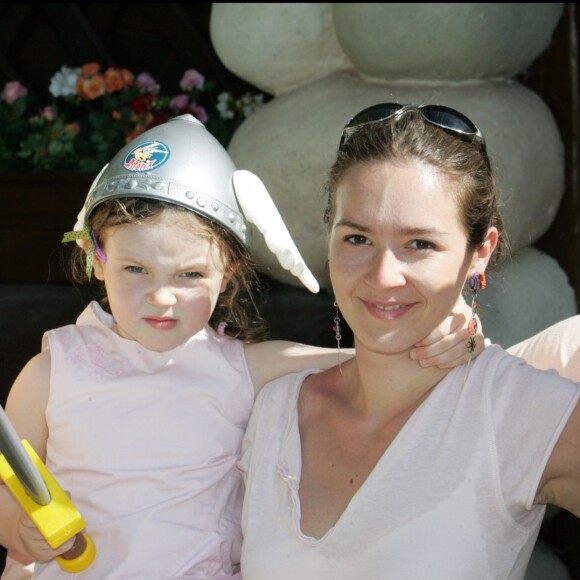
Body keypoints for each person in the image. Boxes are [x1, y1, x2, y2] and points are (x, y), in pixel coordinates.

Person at [0, 114, 480, 579]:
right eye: (135, 269)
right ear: (95, 257)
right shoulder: (51, 373)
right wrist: (22, 531)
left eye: (190, 275)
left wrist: (448, 327)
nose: (162, 297)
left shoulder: (244, 368)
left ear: (226, 273)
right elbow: (9, 491)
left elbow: (374, 359)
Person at [238, 103, 580, 579]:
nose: (383, 275)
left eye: (420, 244)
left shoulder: (516, 412)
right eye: (358, 238)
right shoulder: (274, 409)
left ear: (479, 252)